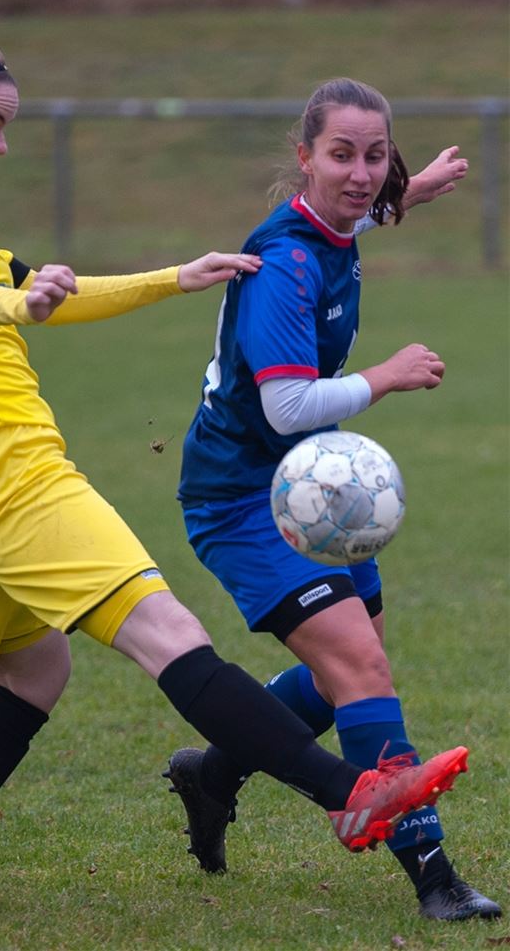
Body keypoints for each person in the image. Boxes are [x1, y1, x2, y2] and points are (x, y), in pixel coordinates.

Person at [0, 0, 470, 908]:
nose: (2, 147)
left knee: (34, 672)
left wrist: (173, 277)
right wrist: (10, 308)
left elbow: (42, 289)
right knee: (167, 634)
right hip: (2, 474)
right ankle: (353, 792)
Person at [169, 77, 500, 921]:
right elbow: (285, 406)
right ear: (303, 156)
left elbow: (358, 213)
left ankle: (213, 772)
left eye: (376, 155)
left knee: (342, 671)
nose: (359, 171)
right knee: (361, 666)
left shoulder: (337, 222)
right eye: (341, 154)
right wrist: (383, 377)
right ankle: (433, 874)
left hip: (310, 486)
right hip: (244, 496)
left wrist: (404, 195)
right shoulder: (284, 263)